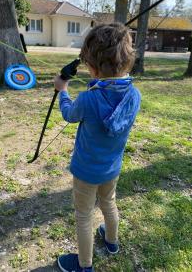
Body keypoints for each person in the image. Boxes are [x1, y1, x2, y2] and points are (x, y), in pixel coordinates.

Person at [54, 23, 141, 272]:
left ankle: (84, 266)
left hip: (86, 171)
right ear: (127, 61)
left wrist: (63, 91)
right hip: (111, 169)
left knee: (84, 216)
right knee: (109, 203)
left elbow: (69, 114)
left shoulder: (88, 98)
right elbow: (111, 97)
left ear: (92, 67)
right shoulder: (134, 95)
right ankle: (112, 242)